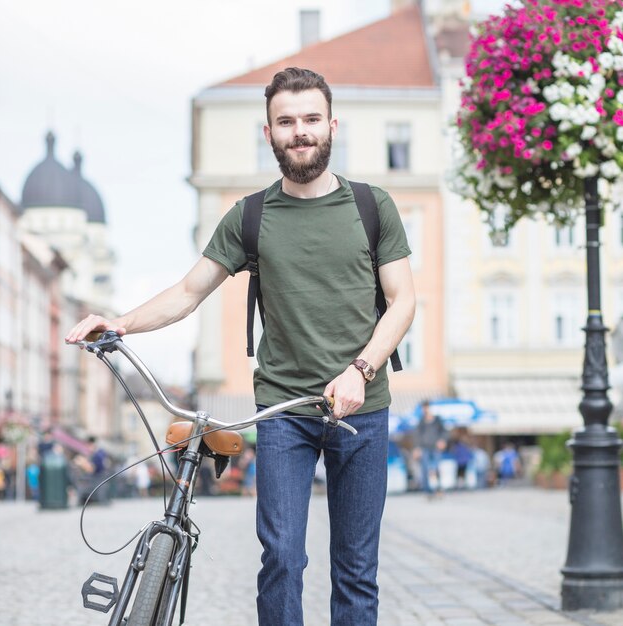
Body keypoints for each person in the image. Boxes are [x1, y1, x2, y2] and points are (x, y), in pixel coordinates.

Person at [66, 67, 416, 626]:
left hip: (362, 410)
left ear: (331, 125)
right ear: (269, 133)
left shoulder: (373, 207)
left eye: (309, 119)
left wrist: (361, 370)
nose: (299, 131)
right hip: (284, 413)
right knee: (280, 558)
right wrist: (121, 322)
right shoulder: (250, 216)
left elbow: (402, 302)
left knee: (355, 567)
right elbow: (187, 292)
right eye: (286, 122)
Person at [413, 401, 448, 496]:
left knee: (436, 468)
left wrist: (442, 440)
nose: (425, 410)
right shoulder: (421, 421)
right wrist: (417, 448)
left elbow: (444, 432)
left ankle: (439, 488)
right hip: (424, 448)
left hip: (435, 447)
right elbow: (417, 435)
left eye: (426, 407)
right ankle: (428, 491)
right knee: (424, 469)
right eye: (423, 408)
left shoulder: (437, 420)